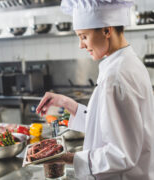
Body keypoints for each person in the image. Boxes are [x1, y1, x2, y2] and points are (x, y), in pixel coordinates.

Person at [36, 0, 154, 179]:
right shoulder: (126, 63)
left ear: (107, 30)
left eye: (83, 36)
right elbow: (110, 126)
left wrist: (66, 157)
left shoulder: (116, 76)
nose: (81, 45)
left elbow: (122, 155)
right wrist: (67, 103)